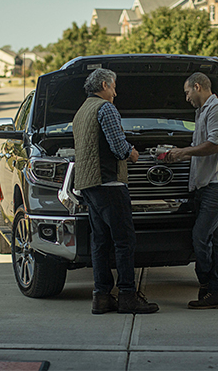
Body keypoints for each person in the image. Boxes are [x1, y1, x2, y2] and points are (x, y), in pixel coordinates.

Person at [72, 68, 159, 315]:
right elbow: (117, 146)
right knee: (124, 241)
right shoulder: (105, 108)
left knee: (100, 241)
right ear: (103, 84)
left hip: (88, 184)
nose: (115, 92)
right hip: (109, 182)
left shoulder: (81, 111)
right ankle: (127, 296)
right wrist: (132, 152)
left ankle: (101, 296)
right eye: (113, 87)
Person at [165, 72, 218, 310]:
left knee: (200, 236)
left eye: (187, 92)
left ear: (197, 87)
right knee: (213, 239)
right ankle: (216, 292)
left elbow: (215, 145)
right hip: (207, 184)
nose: (186, 98)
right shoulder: (202, 112)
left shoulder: (217, 110)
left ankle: (208, 286)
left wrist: (184, 152)